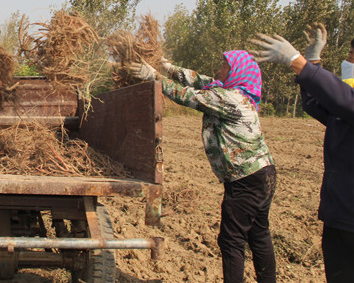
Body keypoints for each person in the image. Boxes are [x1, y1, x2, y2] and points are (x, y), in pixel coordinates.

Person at [129, 51, 276, 283]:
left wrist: (154, 76)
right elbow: (200, 80)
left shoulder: (229, 98)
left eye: (224, 66)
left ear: (237, 72)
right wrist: (168, 67)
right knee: (258, 234)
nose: (219, 70)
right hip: (263, 174)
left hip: (246, 180)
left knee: (231, 240)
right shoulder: (236, 93)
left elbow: (188, 96)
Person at [251, 23, 354, 282]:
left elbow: (343, 99)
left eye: (352, 58)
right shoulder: (344, 108)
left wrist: (300, 63)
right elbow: (318, 104)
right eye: (349, 56)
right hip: (339, 213)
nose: (348, 63)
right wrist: (313, 61)